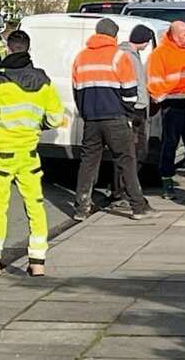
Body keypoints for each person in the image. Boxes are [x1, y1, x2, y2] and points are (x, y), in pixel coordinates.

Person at [0, 30, 65, 277]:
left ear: (8, 48)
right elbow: (56, 118)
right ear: (28, 49)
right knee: (35, 206)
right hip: (28, 154)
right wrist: (39, 126)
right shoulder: (43, 81)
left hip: (1, 153)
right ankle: (37, 262)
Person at [72, 18, 160, 221]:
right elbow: (130, 92)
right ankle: (138, 207)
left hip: (91, 120)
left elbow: (77, 90)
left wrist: (86, 113)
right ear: (114, 35)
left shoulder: (81, 57)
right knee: (126, 161)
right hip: (116, 118)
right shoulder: (119, 56)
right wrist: (127, 114)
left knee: (88, 162)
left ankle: (81, 208)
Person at [147, 21, 185, 199]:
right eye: (184, 34)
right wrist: (178, 80)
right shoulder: (159, 54)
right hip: (171, 106)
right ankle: (167, 183)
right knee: (169, 145)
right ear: (173, 35)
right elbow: (155, 87)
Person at [109, 25, 155, 208]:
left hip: (134, 108)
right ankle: (124, 193)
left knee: (131, 152)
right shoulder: (128, 55)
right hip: (133, 110)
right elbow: (130, 83)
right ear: (144, 40)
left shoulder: (129, 54)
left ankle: (123, 191)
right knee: (131, 153)